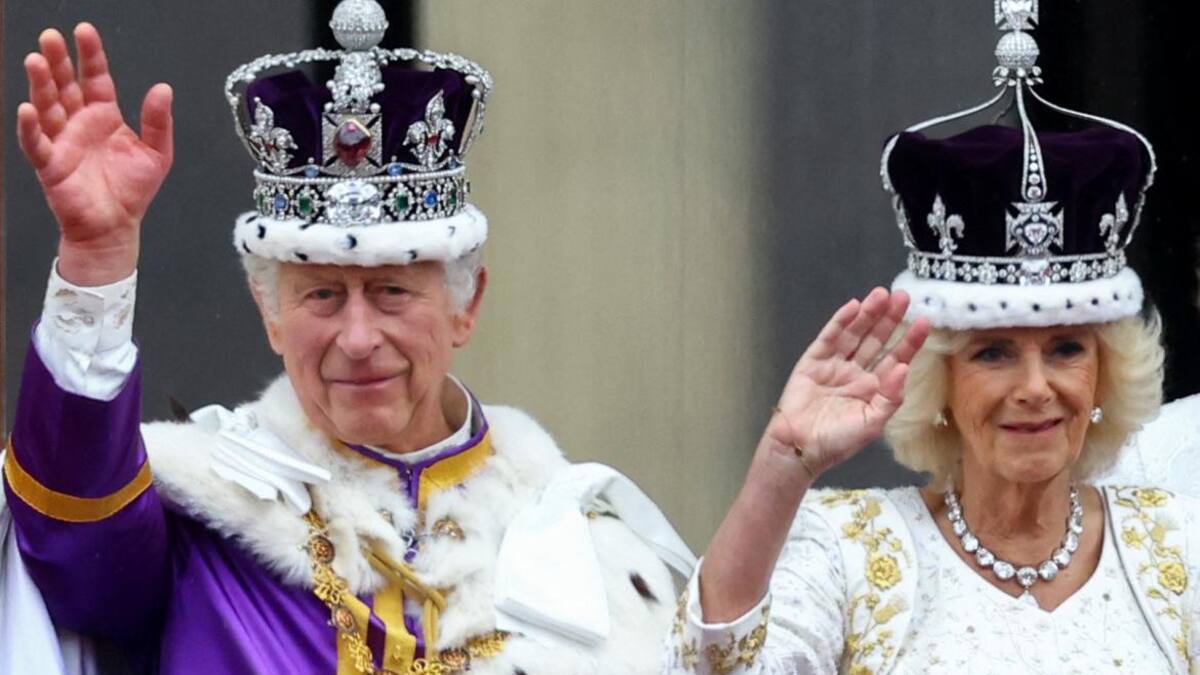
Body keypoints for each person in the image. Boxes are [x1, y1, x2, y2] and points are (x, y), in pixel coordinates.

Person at [0, 2, 695, 673]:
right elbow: (72, 541)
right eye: (322, 295)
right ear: (270, 312)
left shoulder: (585, 554)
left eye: (392, 291)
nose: (358, 337)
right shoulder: (203, 520)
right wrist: (97, 258)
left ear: (466, 304)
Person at [663, 4, 1199, 674]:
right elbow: (711, 668)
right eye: (994, 351)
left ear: (1106, 373)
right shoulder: (851, 550)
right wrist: (782, 466)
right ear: (937, 376)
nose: (1036, 387)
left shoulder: (1177, 545)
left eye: (1066, 347)